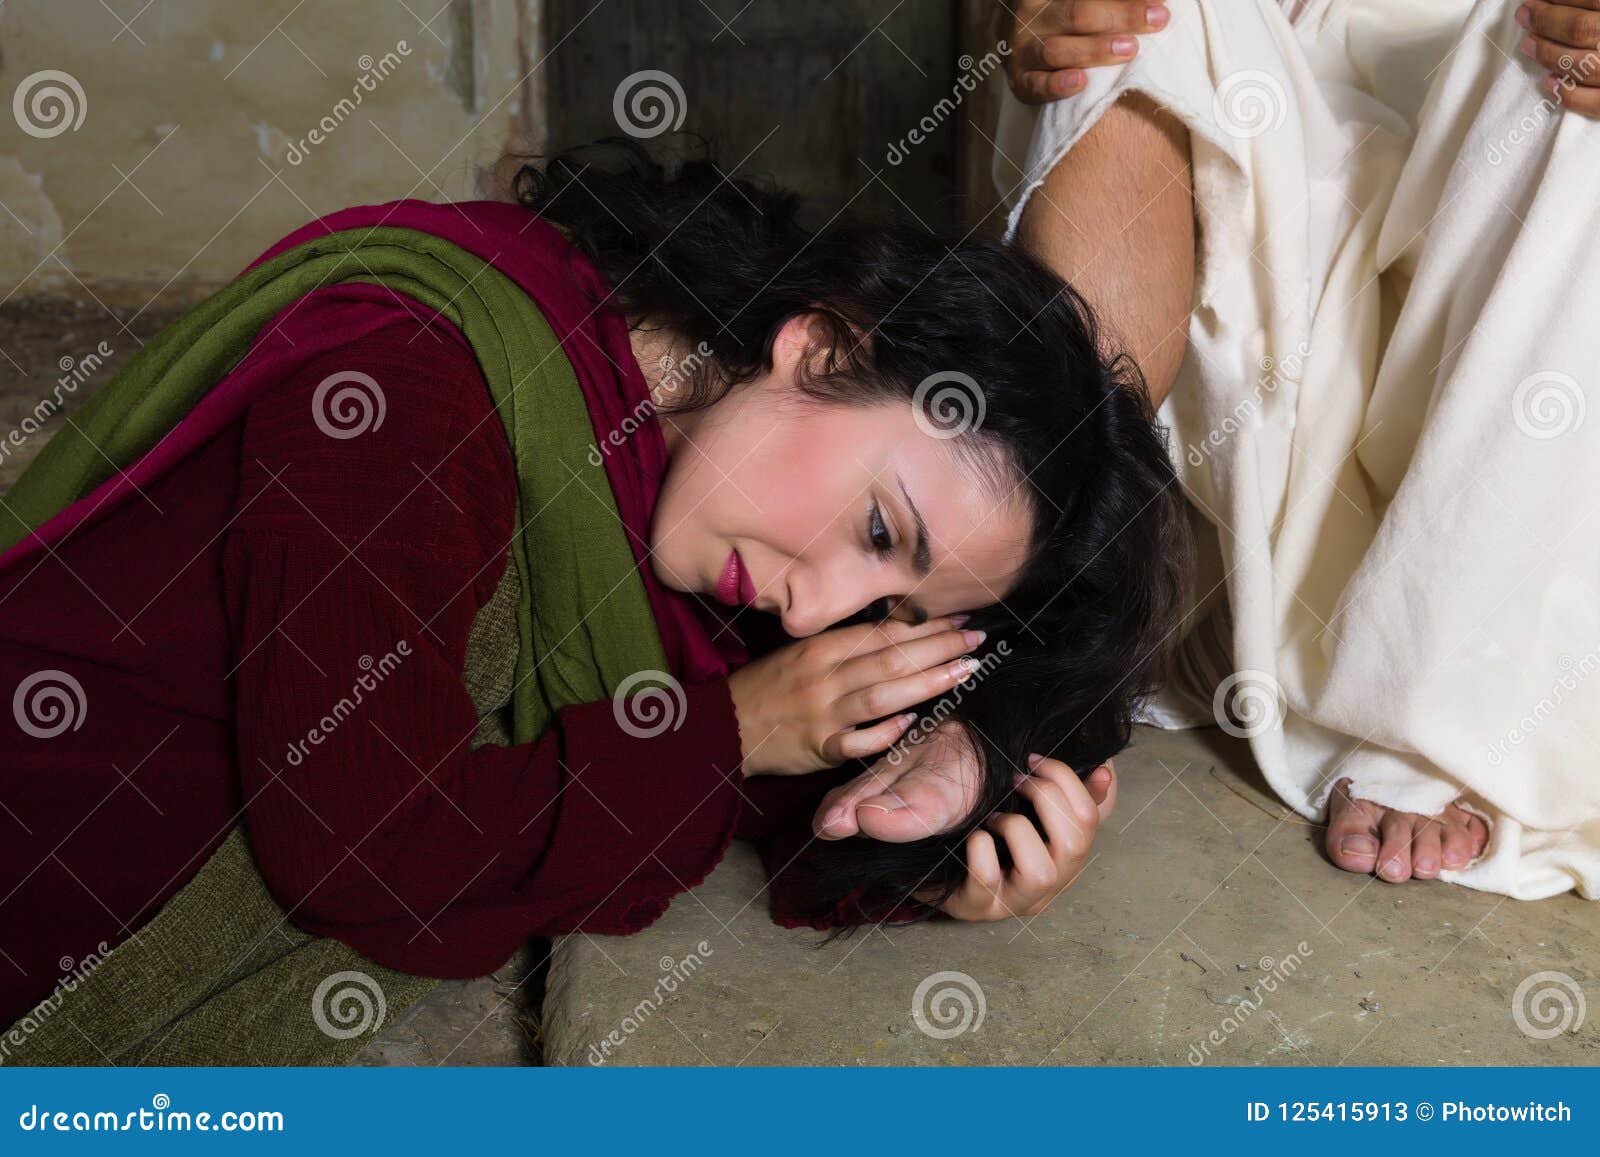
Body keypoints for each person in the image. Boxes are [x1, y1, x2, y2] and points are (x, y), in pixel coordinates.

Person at [0, 136, 1192, 1030]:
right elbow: (363, 847)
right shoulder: (412, 387)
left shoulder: (669, 466)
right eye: (879, 528)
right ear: (822, 349)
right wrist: (728, 733)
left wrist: (944, 806)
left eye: (894, 608)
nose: (821, 609)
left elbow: (732, 769)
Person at [999, 0, 1600, 897]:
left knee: (1568, 58)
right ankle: (1050, 606)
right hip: (1297, 133)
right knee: (1131, 12)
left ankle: (1438, 706)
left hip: (1502, 168)